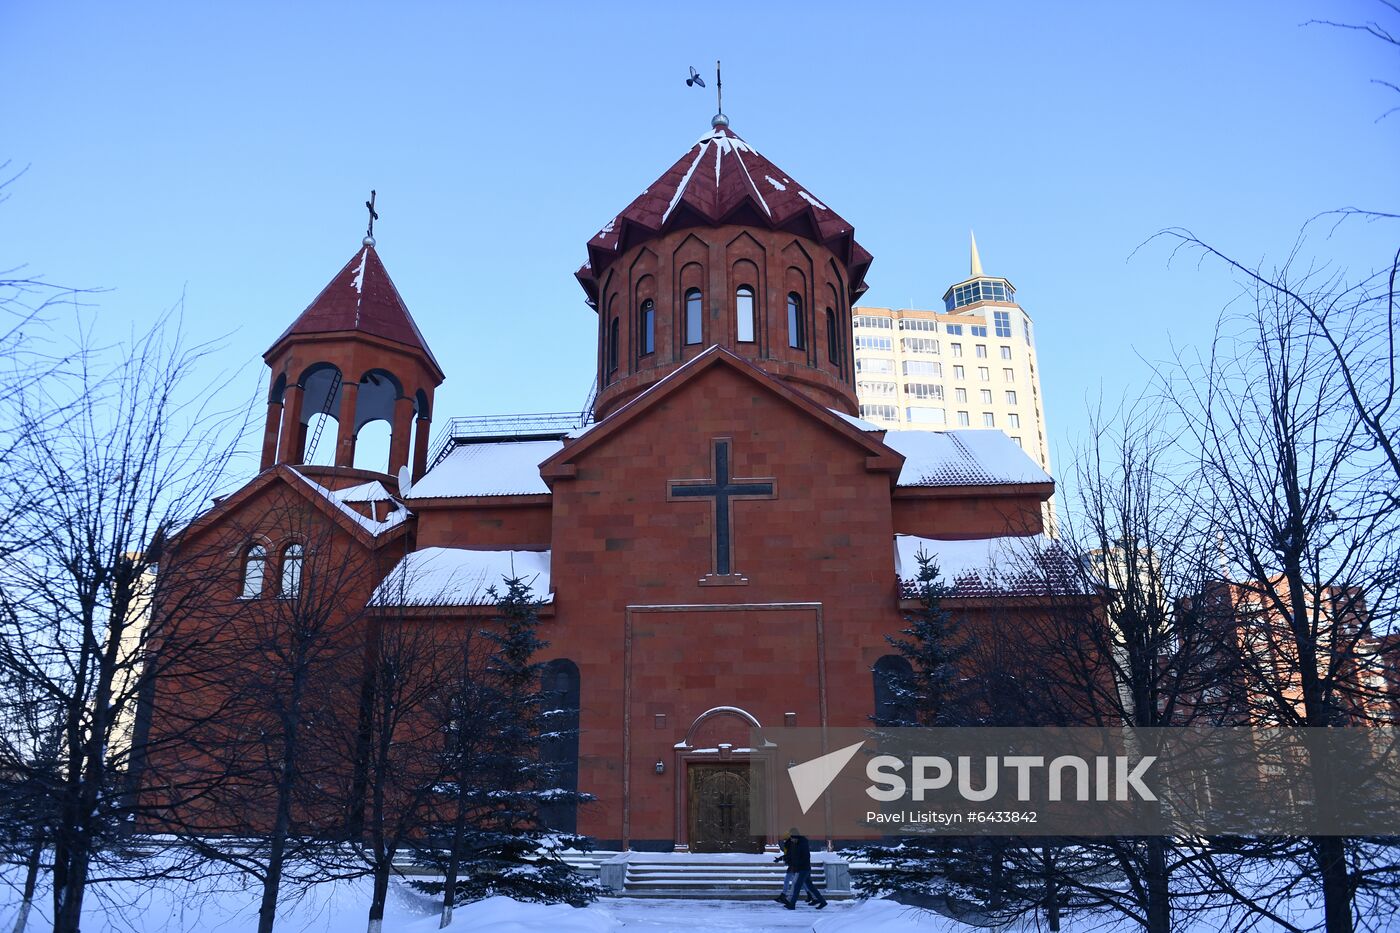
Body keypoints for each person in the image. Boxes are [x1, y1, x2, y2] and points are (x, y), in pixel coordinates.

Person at [779, 828, 827, 910]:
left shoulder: (802, 843)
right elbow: (791, 855)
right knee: (811, 887)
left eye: (792, 838)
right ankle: (823, 902)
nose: (791, 840)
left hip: (803, 869)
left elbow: (804, 857)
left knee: (797, 886)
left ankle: (792, 904)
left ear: (795, 837)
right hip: (802, 868)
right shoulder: (796, 844)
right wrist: (781, 858)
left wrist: (797, 864)